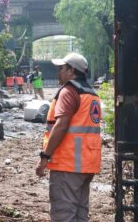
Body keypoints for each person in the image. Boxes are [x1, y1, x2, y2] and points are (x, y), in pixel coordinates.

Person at [35, 53, 102, 222]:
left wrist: (45, 156)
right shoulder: (92, 94)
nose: (58, 72)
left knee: (64, 215)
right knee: (80, 214)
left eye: (61, 69)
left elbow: (61, 125)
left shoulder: (68, 91)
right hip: (87, 164)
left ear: (72, 71)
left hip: (69, 164)